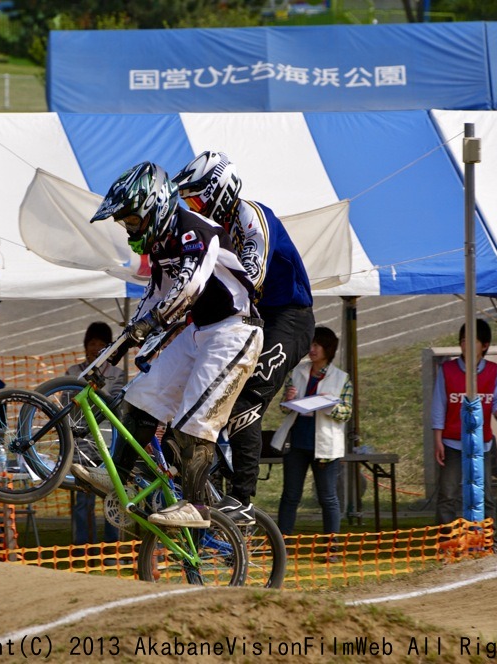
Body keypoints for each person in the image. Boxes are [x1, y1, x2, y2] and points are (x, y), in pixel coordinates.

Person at [72, 161, 263, 528]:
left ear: (154, 207)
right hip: (198, 332)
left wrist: (151, 324)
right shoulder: (161, 245)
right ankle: (120, 476)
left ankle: (197, 507)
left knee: (194, 421)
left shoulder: (197, 230)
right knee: (140, 398)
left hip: (234, 330)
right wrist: (122, 347)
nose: (129, 231)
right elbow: (154, 295)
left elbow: (188, 287)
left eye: (131, 221)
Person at [172, 151, 315, 525]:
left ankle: (243, 499)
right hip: (249, 320)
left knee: (244, 398)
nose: (193, 207)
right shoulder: (213, 229)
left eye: (197, 198)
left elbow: (253, 275)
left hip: (287, 319)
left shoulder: (251, 215)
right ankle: (207, 480)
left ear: (220, 189)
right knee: (203, 395)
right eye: (187, 201)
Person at [431, 318, 497, 526]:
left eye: (471, 341)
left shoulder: (494, 371)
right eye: (462, 341)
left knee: (484, 495)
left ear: (484, 346)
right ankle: (447, 540)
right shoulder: (447, 370)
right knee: (448, 494)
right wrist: (438, 439)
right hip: (452, 442)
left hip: (482, 444)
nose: (465, 345)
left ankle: (487, 539)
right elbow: (439, 405)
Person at [273, 326, 353, 539]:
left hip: (325, 445)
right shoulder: (296, 372)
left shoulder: (341, 378)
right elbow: (283, 408)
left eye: (317, 344)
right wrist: (288, 400)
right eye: (311, 344)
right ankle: (282, 542)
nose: (312, 349)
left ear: (328, 349)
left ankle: (331, 545)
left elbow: (346, 412)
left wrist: (329, 405)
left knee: (327, 497)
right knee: (290, 495)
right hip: (297, 443)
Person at [65, 321, 126, 547]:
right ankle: (82, 545)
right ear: (85, 345)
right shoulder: (73, 372)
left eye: (101, 344)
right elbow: (66, 403)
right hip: (81, 445)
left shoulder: (118, 374)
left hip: (109, 444)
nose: (95, 348)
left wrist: (95, 390)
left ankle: (112, 546)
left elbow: (116, 404)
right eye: (92, 343)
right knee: (83, 499)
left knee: (112, 496)